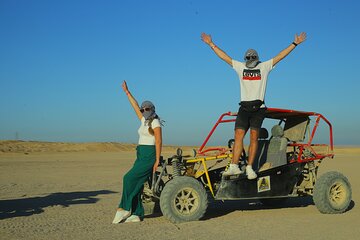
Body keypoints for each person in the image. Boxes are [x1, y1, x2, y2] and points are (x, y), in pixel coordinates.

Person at [201, 32, 306, 179]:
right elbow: (225, 57)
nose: (251, 59)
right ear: (245, 59)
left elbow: (280, 56)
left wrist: (294, 44)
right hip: (244, 107)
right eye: (248, 58)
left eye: (253, 58)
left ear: (257, 58)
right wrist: (211, 44)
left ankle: (250, 167)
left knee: (253, 137)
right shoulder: (240, 67)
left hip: (258, 108)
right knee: (238, 136)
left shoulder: (264, 67)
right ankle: (234, 166)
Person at [112, 80, 162, 223]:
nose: (143, 111)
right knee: (138, 184)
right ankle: (137, 213)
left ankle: (124, 208)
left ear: (152, 109)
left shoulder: (155, 122)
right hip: (140, 154)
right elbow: (134, 105)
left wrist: (157, 159)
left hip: (149, 155)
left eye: (146, 109)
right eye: (142, 109)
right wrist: (127, 92)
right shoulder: (143, 121)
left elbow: (158, 141)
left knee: (128, 178)